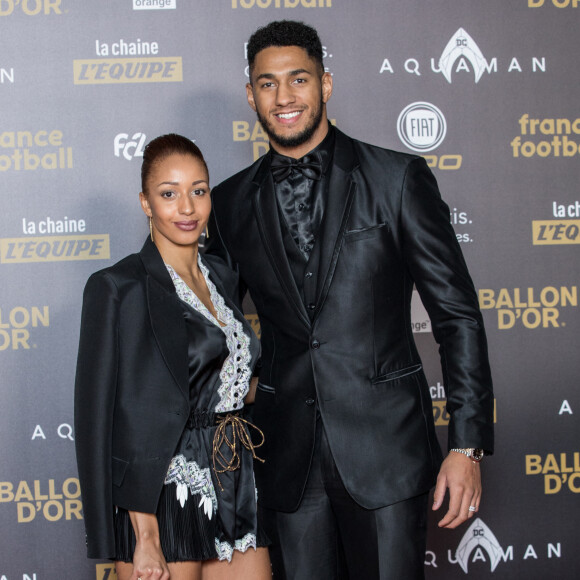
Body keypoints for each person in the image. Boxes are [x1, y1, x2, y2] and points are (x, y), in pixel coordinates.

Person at [205, 20, 494, 580]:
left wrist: (468, 445)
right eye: (267, 84)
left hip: (386, 451)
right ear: (250, 95)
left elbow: (456, 315)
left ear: (326, 84)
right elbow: (212, 324)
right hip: (285, 459)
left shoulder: (397, 178)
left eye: (298, 80)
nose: (284, 97)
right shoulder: (229, 201)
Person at [74, 134, 271, 580]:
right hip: (163, 494)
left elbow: (221, 382)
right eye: (169, 194)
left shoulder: (221, 274)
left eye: (198, 191)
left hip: (236, 481)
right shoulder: (117, 286)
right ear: (145, 202)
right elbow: (108, 418)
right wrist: (144, 536)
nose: (187, 208)